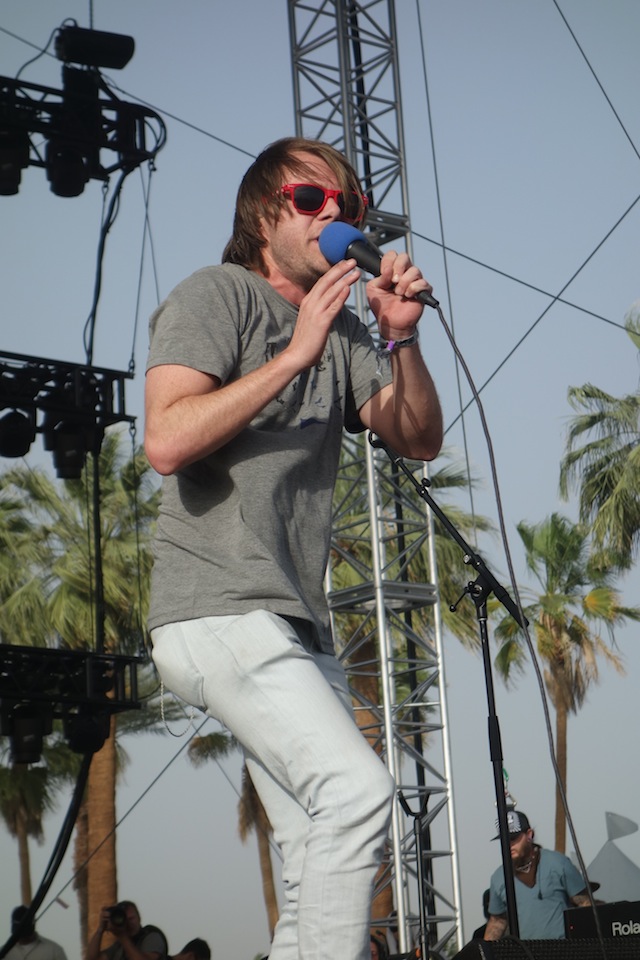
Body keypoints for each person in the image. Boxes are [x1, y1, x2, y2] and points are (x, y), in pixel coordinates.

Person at [145, 135, 443, 960]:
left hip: (295, 625)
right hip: (218, 608)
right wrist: (295, 356)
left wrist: (401, 338)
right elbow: (166, 440)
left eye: (347, 205)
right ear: (262, 215)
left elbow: (417, 438)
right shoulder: (218, 294)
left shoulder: (345, 331)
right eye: (310, 200)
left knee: (317, 846)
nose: (333, 215)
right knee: (357, 792)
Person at [483, 809, 592, 941]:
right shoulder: (498, 877)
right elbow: (497, 921)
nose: (509, 844)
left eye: (513, 838)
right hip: (524, 951)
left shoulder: (558, 863)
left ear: (529, 834)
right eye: (504, 840)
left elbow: (585, 905)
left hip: (563, 948)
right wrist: (484, 949)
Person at [87, 900, 168, 960]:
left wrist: (122, 936)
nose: (129, 923)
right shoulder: (119, 946)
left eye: (131, 918)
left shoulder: (152, 936)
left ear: (139, 918)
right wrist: (100, 930)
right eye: (125, 919)